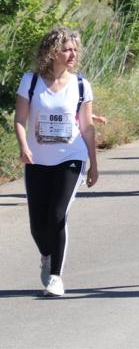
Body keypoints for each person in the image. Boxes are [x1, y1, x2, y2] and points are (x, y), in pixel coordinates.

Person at [15, 27, 98, 297]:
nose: (73, 54)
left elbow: (86, 127)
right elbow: (20, 120)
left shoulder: (81, 84)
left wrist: (94, 163)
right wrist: (24, 147)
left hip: (71, 157)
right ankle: (46, 255)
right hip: (37, 159)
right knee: (38, 224)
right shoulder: (30, 81)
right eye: (67, 49)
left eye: (76, 49)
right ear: (52, 52)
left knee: (57, 215)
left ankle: (56, 277)